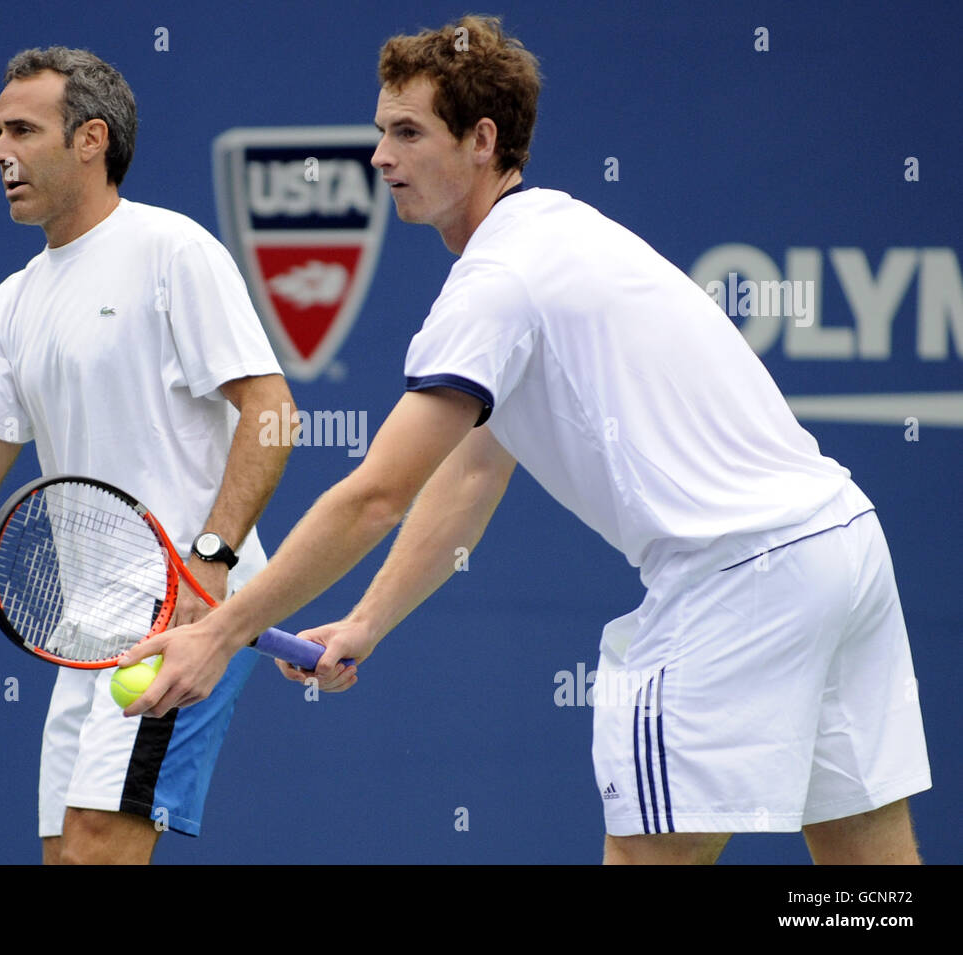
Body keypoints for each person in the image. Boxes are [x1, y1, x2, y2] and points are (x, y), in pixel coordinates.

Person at [120, 16, 931, 865]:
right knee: (865, 864)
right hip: (842, 547)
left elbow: (377, 494)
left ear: (482, 140)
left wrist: (219, 631)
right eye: (379, 132)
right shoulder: (559, 232)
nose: (380, 158)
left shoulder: (496, 282)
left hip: (738, 581)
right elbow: (472, 472)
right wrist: (368, 618)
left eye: (407, 133)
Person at [0, 46, 295, 864]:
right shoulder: (13, 301)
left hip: (178, 610)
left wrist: (211, 560)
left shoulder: (171, 251)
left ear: (90, 139)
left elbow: (272, 411)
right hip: (85, 629)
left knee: (93, 851)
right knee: (65, 857)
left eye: (21, 129)